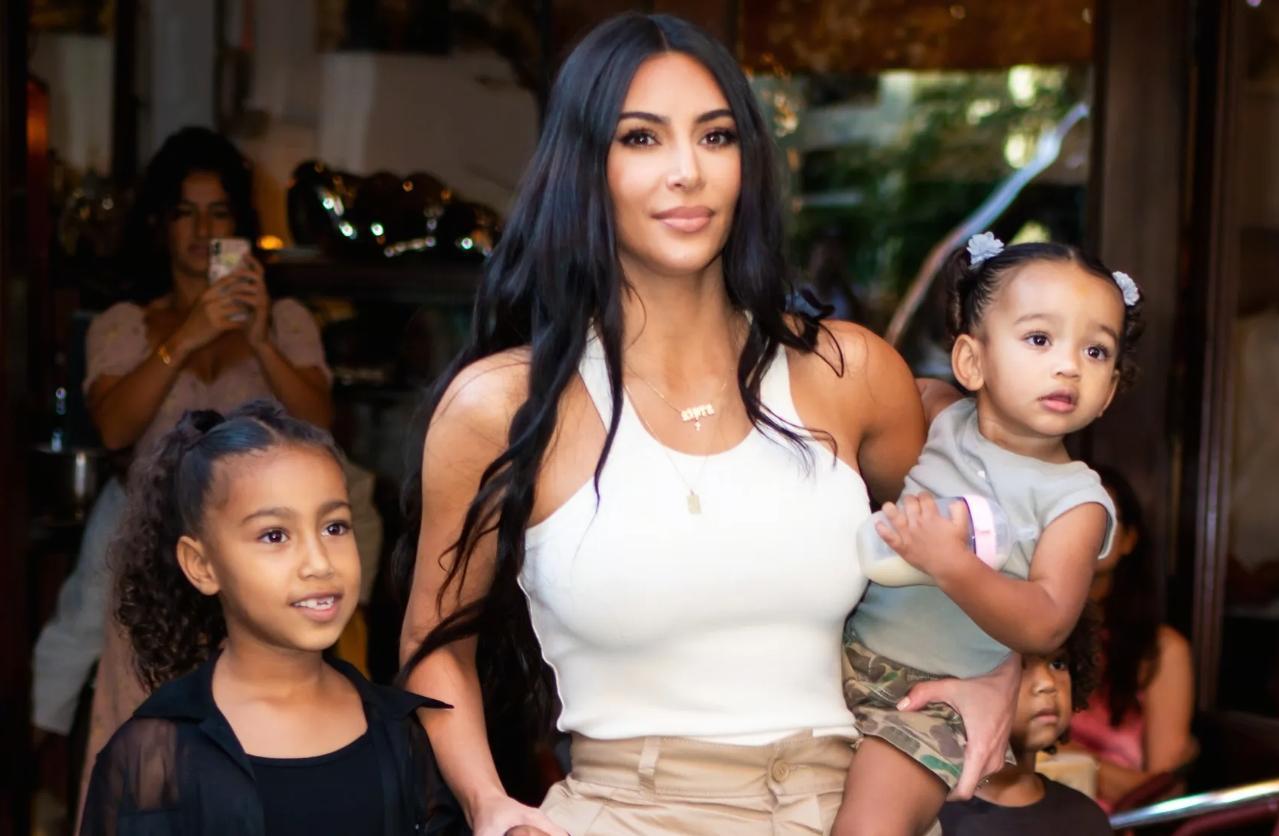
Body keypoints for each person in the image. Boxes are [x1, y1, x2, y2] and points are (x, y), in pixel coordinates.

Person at [398, 13, 1020, 836]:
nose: (686, 171)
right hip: (622, 813)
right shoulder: (502, 407)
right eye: (642, 138)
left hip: (843, 812)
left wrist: (1006, 673)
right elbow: (433, 642)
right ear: (585, 166)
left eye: (715, 136)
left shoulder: (849, 373)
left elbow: (1005, 543)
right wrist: (488, 803)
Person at [27, 126, 338, 817]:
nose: (203, 231)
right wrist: (188, 333)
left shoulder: (285, 322)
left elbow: (321, 429)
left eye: (218, 212)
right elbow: (114, 427)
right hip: (153, 559)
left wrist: (258, 341)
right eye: (185, 213)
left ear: (240, 225)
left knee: (258, 729)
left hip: (260, 564)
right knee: (146, 725)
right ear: (160, 226)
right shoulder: (127, 325)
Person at [836, 232, 1141, 835]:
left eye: (1096, 351)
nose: (1069, 365)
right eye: (1040, 339)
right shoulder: (933, 412)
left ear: (1109, 392)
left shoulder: (1078, 502)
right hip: (835, 652)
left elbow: (1046, 621)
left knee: (869, 827)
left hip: (937, 700)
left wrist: (952, 564)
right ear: (971, 361)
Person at [80, 403, 458, 835]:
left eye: (334, 527)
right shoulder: (154, 758)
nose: (319, 563)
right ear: (202, 565)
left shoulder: (402, 736)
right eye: (275, 535)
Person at [1067, 465, 1194, 810]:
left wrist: (1070, 761)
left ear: (1129, 540)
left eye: (1103, 519)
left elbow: (1163, 794)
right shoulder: (1027, 631)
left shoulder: (1160, 650)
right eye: (1068, 515)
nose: (1086, 532)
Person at [938, 610, 1110, 835]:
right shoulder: (929, 815)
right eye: (1019, 666)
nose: (1047, 683)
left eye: (1058, 663)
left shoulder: (1086, 819)